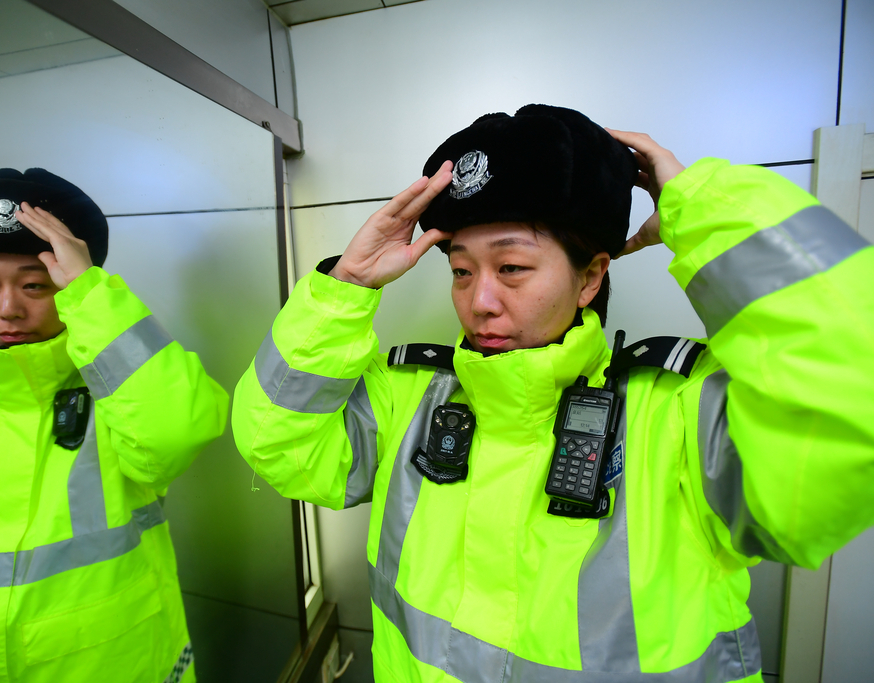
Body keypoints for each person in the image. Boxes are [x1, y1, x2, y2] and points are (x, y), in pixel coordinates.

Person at [231, 105, 874, 681]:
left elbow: (852, 397)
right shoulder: (412, 397)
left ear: (591, 276)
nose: (478, 302)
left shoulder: (681, 415)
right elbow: (277, 446)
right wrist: (344, 288)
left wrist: (702, 205)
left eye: (511, 267)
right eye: (460, 269)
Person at [0, 169, 228, 682]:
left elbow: (177, 429)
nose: (7, 309)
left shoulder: (117, 389)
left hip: (99, 666)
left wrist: (92, 294)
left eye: (36, 285)